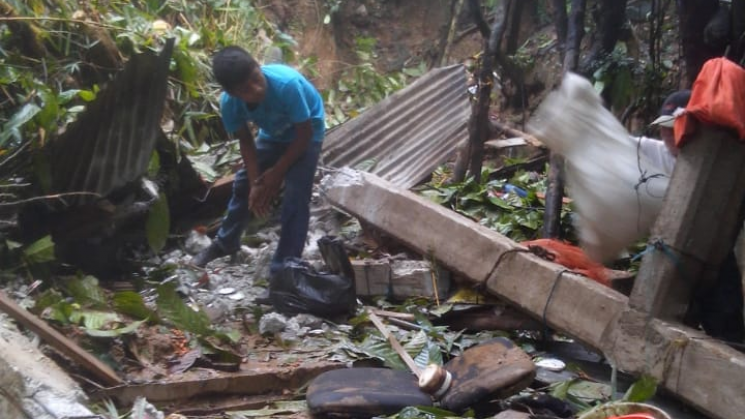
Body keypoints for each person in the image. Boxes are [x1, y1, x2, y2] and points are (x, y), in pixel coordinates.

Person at [191, 45, 325, 276]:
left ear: (258, 66)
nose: (256, 88)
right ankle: (226, 243)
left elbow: (304, 135)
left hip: (308, 130)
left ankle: (285, 267)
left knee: (295, 196)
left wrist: (276, 175)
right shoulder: (229, 104)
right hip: (273, 134)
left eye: (256, 77)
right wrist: (257, 184)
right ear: (233, 93)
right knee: (243, 184)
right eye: (245, 89)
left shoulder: (287, 85)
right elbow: (246, 142)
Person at [638, 90, 745, 344]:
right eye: (663, 129)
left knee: (724, 321)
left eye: (673, 128)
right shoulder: (660, 153)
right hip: (673, 256)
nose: (666, 135)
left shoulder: (720, 164)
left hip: (715, 257)